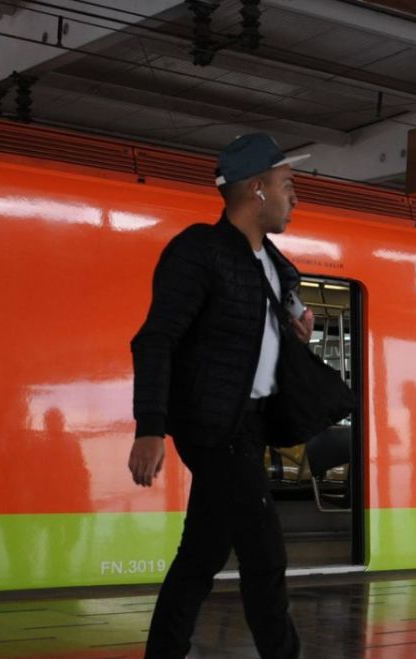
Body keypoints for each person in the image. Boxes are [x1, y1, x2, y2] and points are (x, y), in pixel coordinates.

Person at [128, 133, 311, 659]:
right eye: (286, 185)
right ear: (256, 189)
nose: (294, 198)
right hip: (214, 427)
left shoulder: (273, 266)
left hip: (249, 426)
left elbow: (257, 336)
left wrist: (294, 327)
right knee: (265, 555)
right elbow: (155, 338)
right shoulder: (198, 253)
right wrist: (150, 427)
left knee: (201, 555)